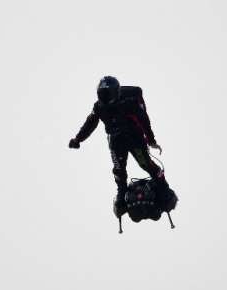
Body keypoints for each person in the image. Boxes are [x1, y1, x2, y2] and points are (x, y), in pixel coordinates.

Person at [68, 76, 169, 216]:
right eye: (102, 94)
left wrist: (151, 140)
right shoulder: (98, 106)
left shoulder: (129, 102)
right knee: (119, 169)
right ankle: (121, 193)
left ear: (116, 92)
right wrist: (78, 139)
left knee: (145, 164)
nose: (105, 97)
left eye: (107, 94)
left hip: (135, 138)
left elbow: (144, 120)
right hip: (116, 142)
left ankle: (162, 186)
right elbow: (90, 123)